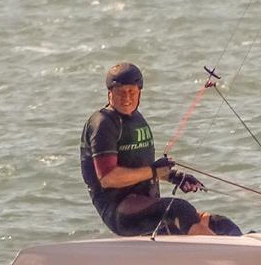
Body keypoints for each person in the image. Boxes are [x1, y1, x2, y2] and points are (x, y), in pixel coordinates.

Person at [80, 62, 242, 237]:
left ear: (139, 92)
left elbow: (138, 168)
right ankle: (219, 257)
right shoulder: (103, 123)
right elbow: (108, 178)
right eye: (120, 92)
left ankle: (244, 250)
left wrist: (174, 176)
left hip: (145, 204)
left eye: (131, 92)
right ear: (110, 93)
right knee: (179, 209)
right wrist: (154, 171)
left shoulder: (136, 119)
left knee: (220, 224)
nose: (126, 97)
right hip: (119, 209)